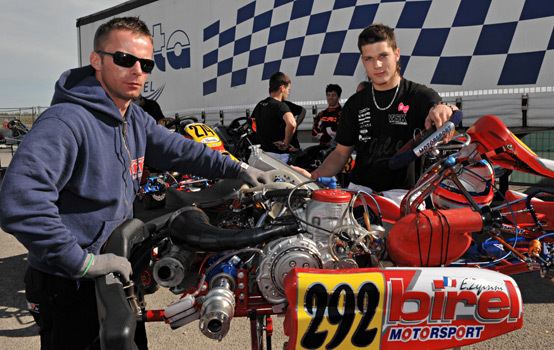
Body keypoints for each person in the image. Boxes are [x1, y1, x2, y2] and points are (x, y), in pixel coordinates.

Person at [0, 17, 268, 350]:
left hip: (116, 269)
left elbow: (180, 149)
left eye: (146, 63)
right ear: (97, 61)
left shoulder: (133, 116)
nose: (137, 70)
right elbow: (19, 203)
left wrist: (238, 168)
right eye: (125, 59)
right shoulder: (66, 121)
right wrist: (83, 262)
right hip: (70, 282)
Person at [295, 23, 459, 204]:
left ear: (396, 54)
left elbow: (448, 110)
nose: (377, 65)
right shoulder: (355, 103)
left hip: (401, 198)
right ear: (362, 61)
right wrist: (312, 175)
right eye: (369, 59)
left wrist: (447, 108)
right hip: (359, 193)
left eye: (383, 56)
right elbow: (340, 154)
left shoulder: (418, 95)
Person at [250, 71, 297, 163]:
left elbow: (252, 123)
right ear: (282, 88)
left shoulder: (260, 104)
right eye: (288, 89)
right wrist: (285, 143)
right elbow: (292, 123)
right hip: (279, 156)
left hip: (262, 156)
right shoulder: (281, 106)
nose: (288, 92)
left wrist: (263, 137)